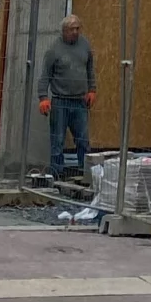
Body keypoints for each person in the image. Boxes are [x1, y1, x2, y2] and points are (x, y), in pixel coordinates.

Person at [38, 12, 97, 182]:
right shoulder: (54, 50)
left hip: (80, 102)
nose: (76, 32)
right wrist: (43, 97)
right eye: (72, 29)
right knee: (57, 142)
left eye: (78, 28)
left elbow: (90, 70)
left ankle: (86, 176)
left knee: (83, 141)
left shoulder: (85, 45)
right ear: (64, 31)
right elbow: (45, 76)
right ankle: (56, 177)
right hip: (60, 101)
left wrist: (92, 89)